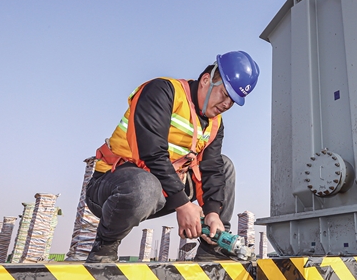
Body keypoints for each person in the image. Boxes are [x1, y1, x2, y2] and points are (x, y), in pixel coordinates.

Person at [84, 51, 260, 263]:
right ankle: (105, 247)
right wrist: (183, 205)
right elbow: (151, 152)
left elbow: (211, 169)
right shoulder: (162, 91)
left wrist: (212, 212)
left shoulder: (215, 123)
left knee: (224, 166)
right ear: (206, 80)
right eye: (224, 94)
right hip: (114, 187)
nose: (226, 104)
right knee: (144, 185)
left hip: (163, 190)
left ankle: (212, 247)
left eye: (233, 101)